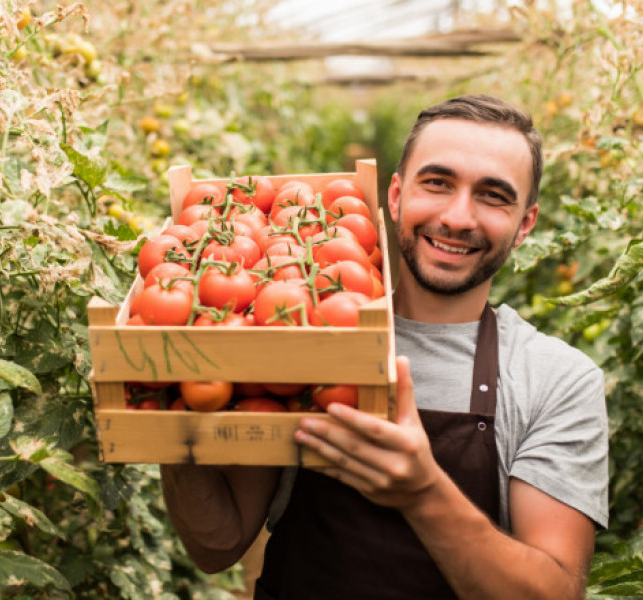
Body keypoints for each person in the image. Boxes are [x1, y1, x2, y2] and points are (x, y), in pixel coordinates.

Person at [160, 94, 609, 600]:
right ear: (395, 196)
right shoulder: (302, 332)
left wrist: (423, 492)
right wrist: (169, 421)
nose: (459, 217)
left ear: (525, 224)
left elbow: (554, 593)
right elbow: (217, 545)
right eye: (437, 183)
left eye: (493, 196)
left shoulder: (555, 379)